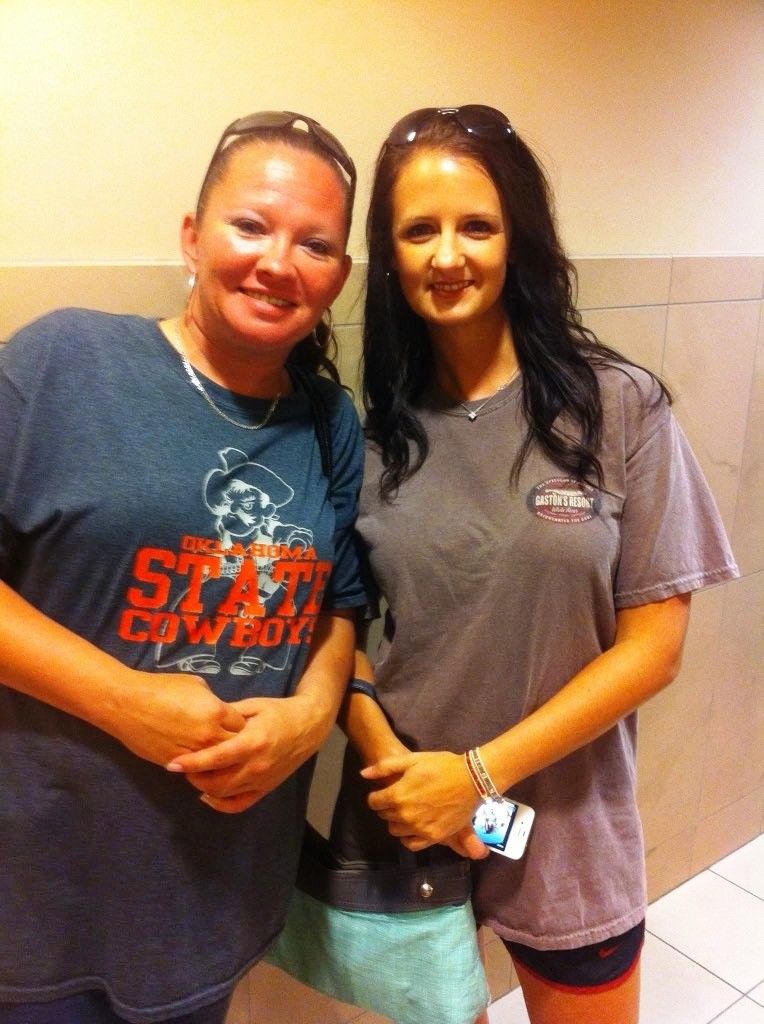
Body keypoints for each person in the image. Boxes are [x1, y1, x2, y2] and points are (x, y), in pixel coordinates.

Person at [330, 105, 739, 1024]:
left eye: (476, 225)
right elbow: (339, 626)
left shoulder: (617, 406)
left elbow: (655, 647)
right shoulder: (375, 434)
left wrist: (476, 778)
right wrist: (395, 765)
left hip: (567, 824)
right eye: (419, 231)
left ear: (519, 238)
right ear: (389, 255)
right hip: (409, 817)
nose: (447, 255)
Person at [0, 111, 365, 1024]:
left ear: (340, 275)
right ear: (193, 235)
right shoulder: (62, 361)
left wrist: (310, 717)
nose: (278, 262)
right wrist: (125, 702)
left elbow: (340, 605)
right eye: (251, 225)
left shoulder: (330, 421)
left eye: (314, 244)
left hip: (213, 891)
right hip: (40, 889)